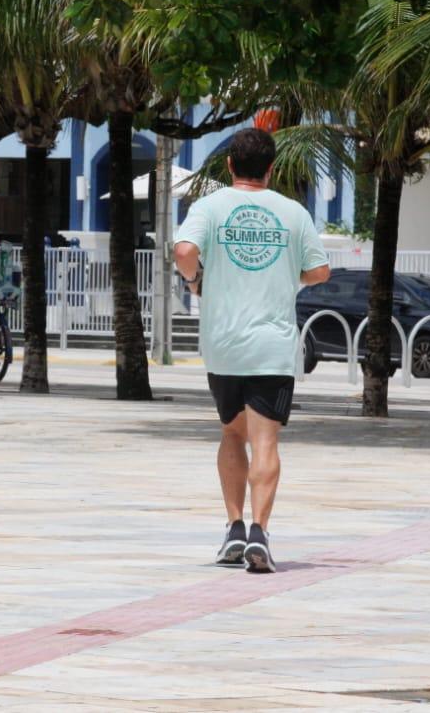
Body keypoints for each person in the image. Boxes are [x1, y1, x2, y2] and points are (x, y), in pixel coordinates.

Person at [174, 127, 330, 573]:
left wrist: (195, 281)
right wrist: (287, 276)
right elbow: (320, 271)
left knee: (231, 434)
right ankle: (260, 532)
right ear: (271, 168)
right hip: (272, 344)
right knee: (265, 440)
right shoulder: (292, 212)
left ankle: (234, 529)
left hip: (222, 343)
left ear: (228, 166)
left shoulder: (210, 206)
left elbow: (184, 249)